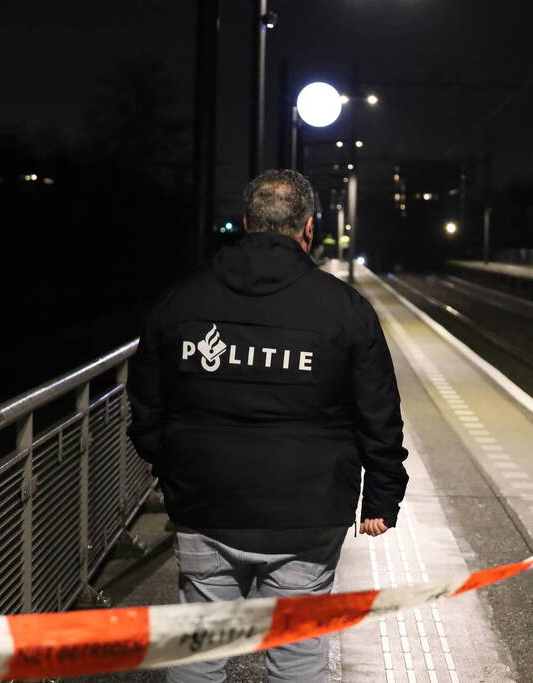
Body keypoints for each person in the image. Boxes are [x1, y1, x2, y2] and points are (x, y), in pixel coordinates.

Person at [126, 169, 409, 682]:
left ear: (245, 223)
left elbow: (146, 404)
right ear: (308, 228)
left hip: (206, 503)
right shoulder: (344, 309)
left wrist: (175, 463)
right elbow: (378, 413)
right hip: (308, 508)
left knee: (198, 653)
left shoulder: (181, 299)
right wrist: (382, 496)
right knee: (297, 654)